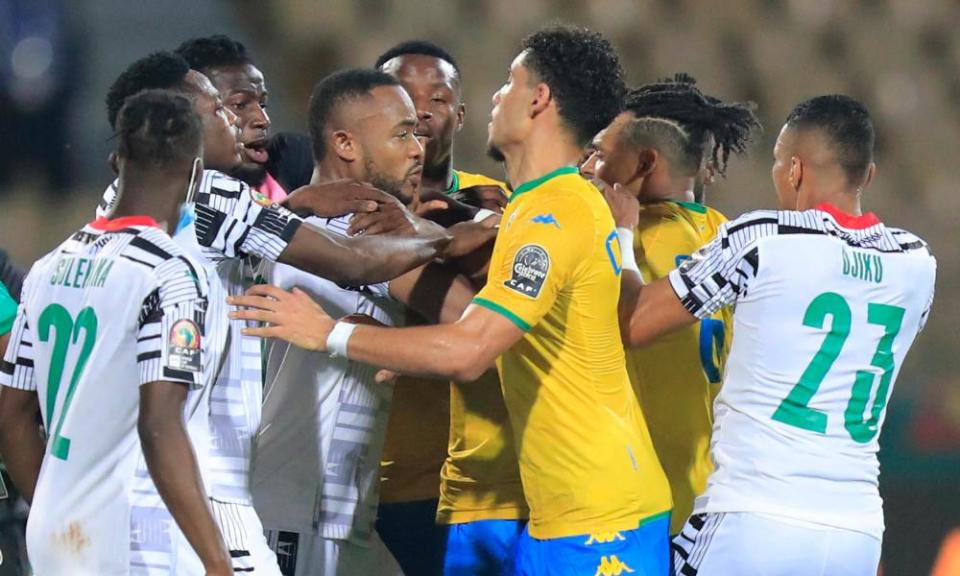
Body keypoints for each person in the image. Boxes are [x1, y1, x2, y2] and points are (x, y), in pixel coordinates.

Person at [231, 25, 673, 576]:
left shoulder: (550, 215)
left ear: (538, 100)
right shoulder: (544, 207)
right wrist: (400, 349)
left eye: (510, 83)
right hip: (563, 512)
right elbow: (523, 332)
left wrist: (330, 333)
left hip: (600, 519)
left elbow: (470, 348)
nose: (495, 96)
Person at [99, 51, 454, 575]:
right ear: (180, 123)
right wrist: (444, 236)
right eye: (224, 107)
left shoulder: (109, 221)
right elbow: (354, 263)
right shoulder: (216, 199)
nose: (248, 121)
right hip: (228, 488)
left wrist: (295, 208)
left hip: (152, 481)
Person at [599, 95, 935, 575]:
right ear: (869, 175)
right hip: (856, 532)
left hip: (752, 519)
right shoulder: (916, 264)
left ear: (795, 170)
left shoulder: (761, 239)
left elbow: (633, 322)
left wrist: (623, 236)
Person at [0, 91, 232, 576]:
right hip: (136, 538)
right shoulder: (169, 274)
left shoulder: (49, 267)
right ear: (194, 174)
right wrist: (217, 562)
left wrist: (57, 509)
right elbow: (160, 425)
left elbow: (11, 418)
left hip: (55, 535)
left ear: (115, 161)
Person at [255, 67, 444, 576]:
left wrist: (393, 347)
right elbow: (480, 334)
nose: (417, 149)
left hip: (333, 516)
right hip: (299, 516)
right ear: (344, 143)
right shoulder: (363, 236)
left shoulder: (277, 228)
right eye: (402, 133)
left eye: (419, 133)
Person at [580, 78, 760, 535]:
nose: (588, 165)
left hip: (638, 498)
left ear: (644, 161)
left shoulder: (620, 240)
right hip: (717, 496)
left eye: (601, 153)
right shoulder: (732, 238)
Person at [375, 40, 525, 576]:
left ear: (460, 115)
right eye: (403, 98)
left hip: (491, 482)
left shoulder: (504, 204)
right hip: (389, 481)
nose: (419, 112)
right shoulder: (351, 212)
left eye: (436, 99)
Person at [175, 35, 292, 202]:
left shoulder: (273, 193)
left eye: (263, 104)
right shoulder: (160, 204)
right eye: (240, 105)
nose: (263, 120)